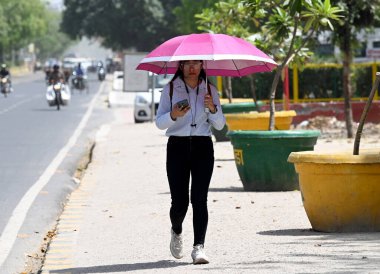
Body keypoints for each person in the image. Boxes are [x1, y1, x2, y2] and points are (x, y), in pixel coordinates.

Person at [155, 60, 226, 264]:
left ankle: (199, 247)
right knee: (179, 203)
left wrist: (212, 108)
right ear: (180, 66)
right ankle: (176, 230)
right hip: (177, 147)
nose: (191, 67)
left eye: (196, 63)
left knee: (199, 199)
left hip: (203, 147)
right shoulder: (170, 89)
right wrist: (173, 115)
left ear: (202, 65)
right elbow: (159, 123)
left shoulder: (210, 89)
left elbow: (220, 125)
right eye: (187, 64)